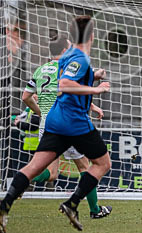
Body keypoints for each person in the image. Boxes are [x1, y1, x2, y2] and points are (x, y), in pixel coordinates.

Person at [0, 15, 111, 233]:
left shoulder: (66, 56)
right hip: (74, 121)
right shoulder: (81, 57)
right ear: (92, 36)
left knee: (36, 167)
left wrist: (93, 76)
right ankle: (73, 203)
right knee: (102, 164)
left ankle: (5, 203)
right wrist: (96, 89)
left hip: (54, 120)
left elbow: (67, 79)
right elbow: (65, 84)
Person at [21, 34, 112, 220]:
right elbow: (71, 91)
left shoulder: (40, 70)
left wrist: (40, 113)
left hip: (47, 122)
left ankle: (21, 181)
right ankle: (95, 210)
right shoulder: (65, 68)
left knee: (52, 173)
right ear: (64, 51)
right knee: (86, 166)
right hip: (66, 120)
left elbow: (25, 97)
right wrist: (93, 101)